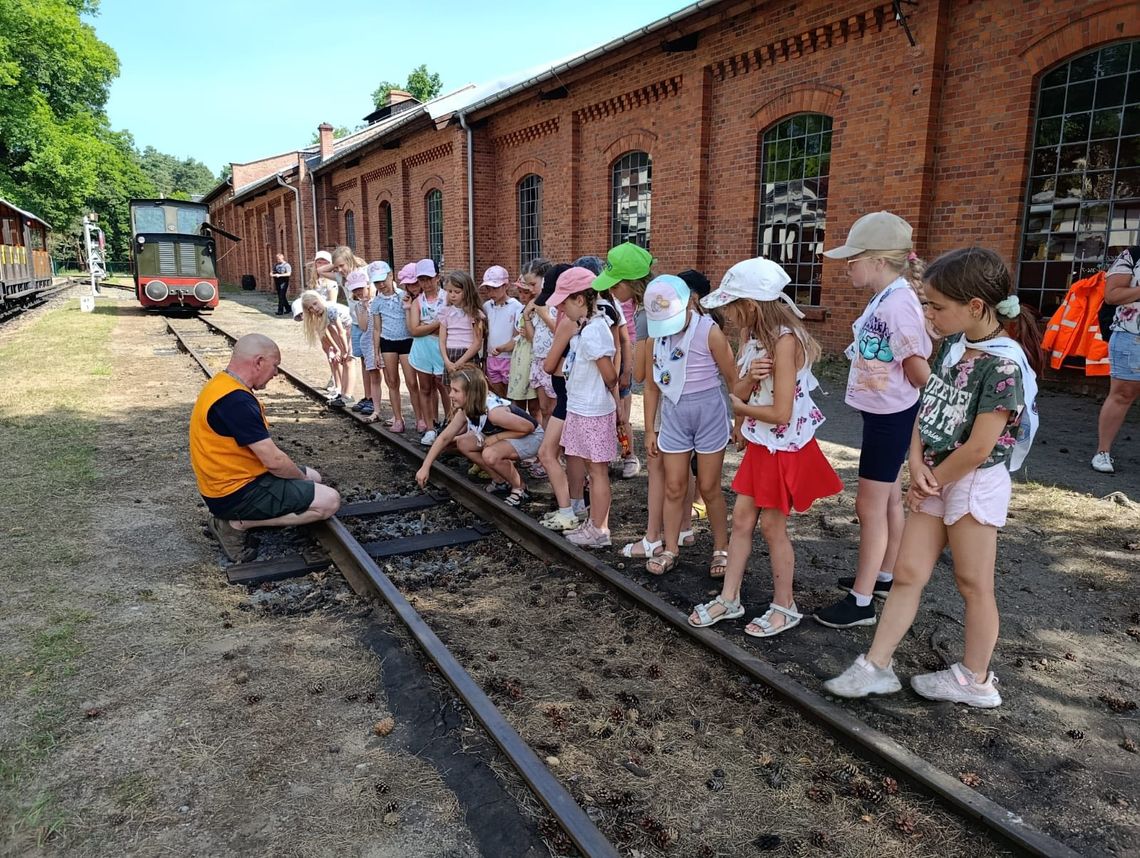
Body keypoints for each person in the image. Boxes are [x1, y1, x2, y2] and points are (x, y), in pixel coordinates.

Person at [824, 247, 1041, 708]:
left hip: (973, 483)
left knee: (972, 583)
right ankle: (875, 666)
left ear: (975, 307)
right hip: (936, 478)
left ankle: (975, 679)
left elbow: (982, 446)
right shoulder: (954, 348)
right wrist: (917, 462)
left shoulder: (1002, 366)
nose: (928, 315)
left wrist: (932, 477)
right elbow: (929, 410)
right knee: (907, 572)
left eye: (937, 306)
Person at [687, 258, 842, 635]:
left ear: (751, 306)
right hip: (763, 444)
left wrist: (740, 409)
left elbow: (782, 412)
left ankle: (785, 605)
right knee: (742, 521)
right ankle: (729, 598)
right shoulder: (753, 338)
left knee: (773, 526)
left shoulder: (785, 341)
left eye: (732, 305)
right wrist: (742, 403)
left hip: (784, 447)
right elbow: (736, 389)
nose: (728, 313)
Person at [812, 211, 933, 631]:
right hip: (883, 414)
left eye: (854, 259)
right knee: (887, 501)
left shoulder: (898, 305)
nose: (847, 267)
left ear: (879, 261)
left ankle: (861, 601)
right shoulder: (886, 297)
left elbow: (920, 374)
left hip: (892, 417)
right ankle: (884, 575)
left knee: (870, 505)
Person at [190, 333, 341, 562]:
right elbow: (274, 461)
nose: (276, 373)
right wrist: (299, 479)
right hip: (235, 493)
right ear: (259, 362)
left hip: (229, 481)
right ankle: (236, 523)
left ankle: (239, 516)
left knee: (315, 477)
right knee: (330, 501)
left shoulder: (221, 384)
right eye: (275, 366)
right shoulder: (236, 401)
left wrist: (302, 479)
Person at [642, 275, 737, 576]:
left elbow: (733, 379)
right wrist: (648, 429)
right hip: (674, 417)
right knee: (674, 486)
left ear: (689, 302)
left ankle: (721, 547)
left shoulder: (710, 332)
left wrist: (742, 420)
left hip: (708, 414)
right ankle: (671, 546)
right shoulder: (657, 338)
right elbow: (652, 387)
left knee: (708, 487)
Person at [549, 266, 619, 548]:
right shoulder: (587, 328)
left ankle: (600, 530)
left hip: (592, 409)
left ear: (580, 299)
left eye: (565, 302)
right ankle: (594, 524)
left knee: (598, 472)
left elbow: (610, 375)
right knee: (593, 470)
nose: (562, 310)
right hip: (582, 407)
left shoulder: (593, 332)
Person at [415, 367, 543, 507]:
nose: (450, 394)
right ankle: (500, 481)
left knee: (490, 454)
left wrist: (497, 438)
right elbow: (444, 437)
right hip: (509, 434)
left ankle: (520, 488)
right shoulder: (467, 409)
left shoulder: (494, 413)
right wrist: (425, 467)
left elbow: (529, 427)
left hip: (532, 437)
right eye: (451, 389)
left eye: (456, 391)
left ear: (471, 393)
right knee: (464, 443)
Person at [589, 244, 651, 479]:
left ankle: (628, 455)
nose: (612, 292)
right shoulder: (639, 308)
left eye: (615, 285)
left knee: (622, 414)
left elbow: (640, 370)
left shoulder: (647, 312)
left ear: (631, 283)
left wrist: (627, 370)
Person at [534, 264, 580, 532]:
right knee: (572, 454)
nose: (558, 306)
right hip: (570, 395)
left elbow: (550, 364)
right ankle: (575, 506)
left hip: (567, 396)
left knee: (546, 452)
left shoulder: (569, 322)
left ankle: (567, 510)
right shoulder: (601, 314)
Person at [1092, 245, 1140, 473]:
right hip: (1132, 336)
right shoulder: (1133, 256)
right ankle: (1103, 452)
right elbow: (1112, 295)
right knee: (1123, 394)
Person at [369, 262, 417, 432]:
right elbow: (376, 328)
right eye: (376, 282)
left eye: (383, 280)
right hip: (388, 341)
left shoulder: (403, 295)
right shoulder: (376, 302)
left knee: (412, 381)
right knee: (392, 381)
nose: (381, 285)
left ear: (390, 276)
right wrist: (376, 352)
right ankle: (398, 418)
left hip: (406, 340)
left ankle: (420, 419)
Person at [406, 259, 448, 443]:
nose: (426, 283)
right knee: (425, 387)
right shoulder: (418, 302)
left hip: (441, 347)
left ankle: (449, 421)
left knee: (444, 386)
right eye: (422, 279)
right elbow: (413, 330)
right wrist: (437, 324)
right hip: (423, 349)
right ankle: (430, 426)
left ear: (437, 278)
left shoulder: (448, 297)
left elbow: (450, 323)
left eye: (429, 278)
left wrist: (427, 326)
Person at [300, 289, 354, 407]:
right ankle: (343, 393)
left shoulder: (330, 309)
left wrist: (344, 350)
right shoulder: (321, 315)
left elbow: (341, 332)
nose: (314, 309)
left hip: (352, 327)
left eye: (315, 304)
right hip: (345, 330)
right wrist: (336, 349)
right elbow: (327, 332)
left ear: (319, 299)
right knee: (343, 362)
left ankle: (347, 395)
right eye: (310, 308)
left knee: (348, 361)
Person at [482, 265, 524, 398]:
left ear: (505, 286)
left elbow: (517, 336)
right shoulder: (487, 306)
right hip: (491, 358)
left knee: (510, 395)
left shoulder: (516, 307)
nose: (491, 293)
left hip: (509, 358)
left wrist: (504, 347)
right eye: (488, 289)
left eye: (495, 288)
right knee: (496, 394)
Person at [438, 270, 485, 388]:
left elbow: (477, 343)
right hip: (450, 355)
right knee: (453, 394)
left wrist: (460, 362)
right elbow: (442, 340)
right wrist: (447, 361)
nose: (452, 295)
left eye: (457, 292)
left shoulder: (475, 314)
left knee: (469, 393)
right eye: (449, 291)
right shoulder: (445, 312)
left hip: (467, 356)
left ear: (467, 291)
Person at [508, 267, 541, 422]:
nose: (522, 296)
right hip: (520, 358)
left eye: (525, 292)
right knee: (517, 402)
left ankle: (539, 433)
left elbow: (532, 337)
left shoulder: (535, 310)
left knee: (535, 406)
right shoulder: (521, 310)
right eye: (520, 292)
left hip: (531, 358)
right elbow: (517, 337)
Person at [345, 269, 376, 416]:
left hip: (378, 340)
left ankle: (376, 401)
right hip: (366, 339)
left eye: (361, 288)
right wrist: (364, 307)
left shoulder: (377, 300)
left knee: (380, 372)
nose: (358, 292)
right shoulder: (358, 305)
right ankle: (369, 396)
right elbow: (363, 326)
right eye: (355, 290)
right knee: (366, 366)